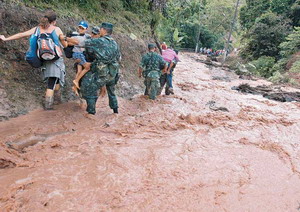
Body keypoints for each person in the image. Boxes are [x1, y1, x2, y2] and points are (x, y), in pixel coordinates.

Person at [0, 11, 68, 110]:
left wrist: (6, 39)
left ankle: (57, 99)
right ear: (54, 21)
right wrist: (63, 39)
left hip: (43, 58)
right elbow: (65, 45)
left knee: (55, 79)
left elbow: (21, 34)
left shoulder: (37, 29)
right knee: (51, 82)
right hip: (56, 60)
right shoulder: (57, 29)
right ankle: (48, 106)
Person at [80, 22, 121, 115]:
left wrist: (66, 38)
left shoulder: (100, 41)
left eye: (100, 29)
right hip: (113, 72)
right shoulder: (114, 43)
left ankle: (91, 112)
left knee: (88, 86)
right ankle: (115, 111)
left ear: (103, 30)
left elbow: (81, 43)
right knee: (111, 91)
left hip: (102, 73)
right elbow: (119, 58)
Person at [66, 21, 91, 95]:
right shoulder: (74, 35)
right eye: (80, 27)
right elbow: (69, 43)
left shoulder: (87, 36)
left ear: (86, 29)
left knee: (79, 71)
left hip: (81, 54)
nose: (80, 29)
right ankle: (76, 81)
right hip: (78, 54)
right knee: (87, 67)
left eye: (82, 28)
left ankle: (75, 87)